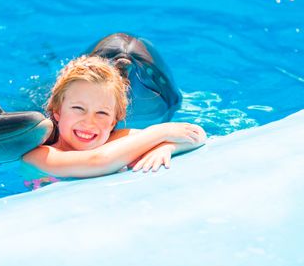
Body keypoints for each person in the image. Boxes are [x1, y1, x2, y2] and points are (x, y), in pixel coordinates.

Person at [22, 55, 206, 178]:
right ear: (57, 111)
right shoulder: (38, 154)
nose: (89, 122)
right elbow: (97, 161)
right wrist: (161, 133)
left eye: (102, 113)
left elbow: (197, 134)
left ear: (113, 121)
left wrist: (167, 147)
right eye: (78, 108)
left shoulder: (117, 139)